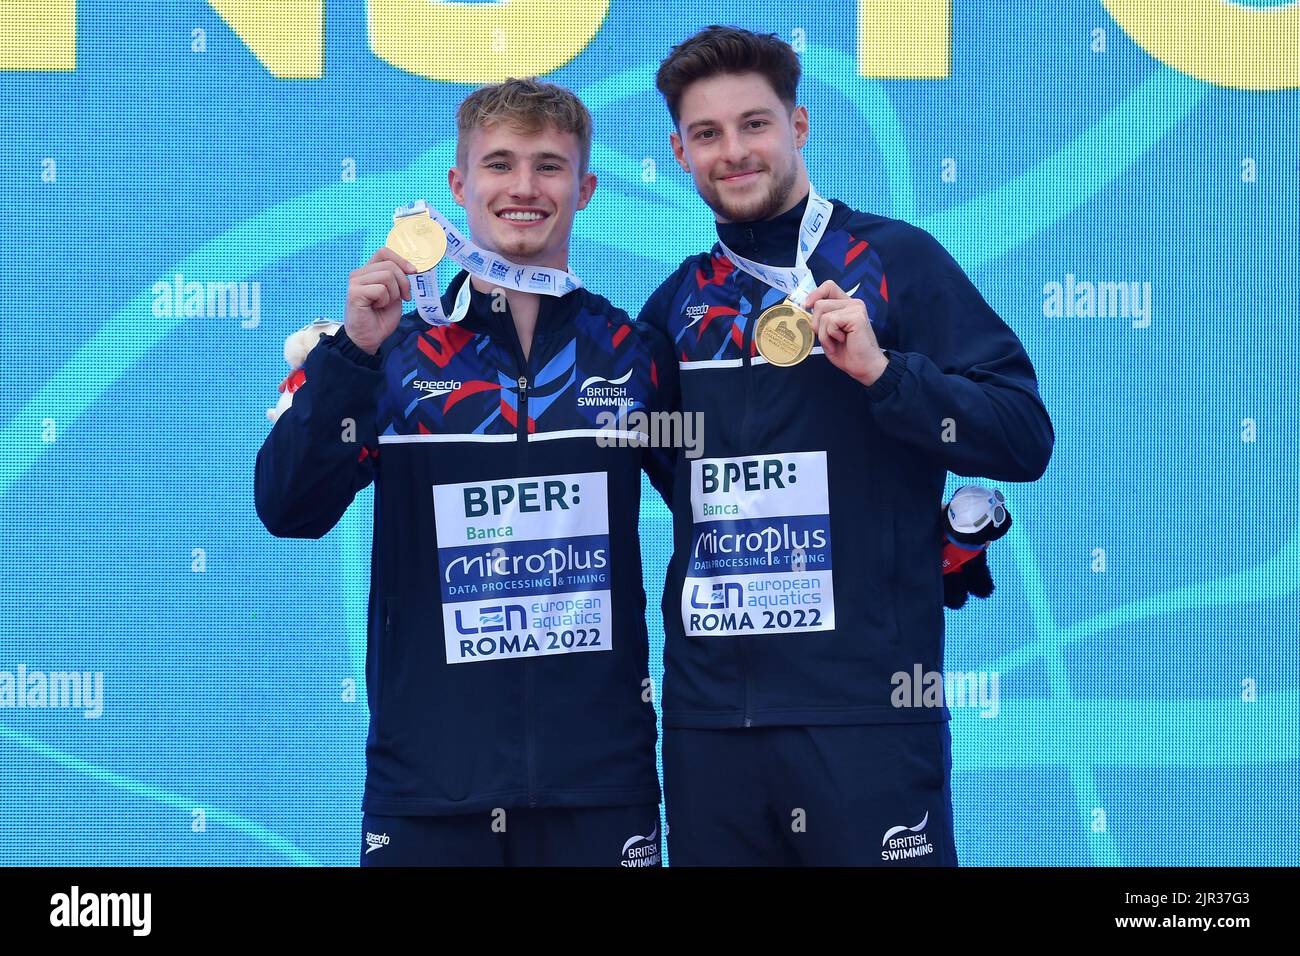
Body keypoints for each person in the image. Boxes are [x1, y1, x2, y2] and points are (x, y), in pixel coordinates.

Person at [639, 26, 1055, 866]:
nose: (734, 151)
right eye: (708, 134)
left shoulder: (894, 261)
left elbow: (1021, 436)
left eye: (754, 124)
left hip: (869, 713)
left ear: (799, 126)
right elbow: (665, 473)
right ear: (679, 151)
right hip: (711, 724)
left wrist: (883, 372)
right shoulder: (674, 308)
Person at [255, 77, 673, 867]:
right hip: (429, 787)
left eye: (549, 167)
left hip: (598, 786)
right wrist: (349, 353)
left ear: (585, 188)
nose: (523, 188)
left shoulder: (631, 352)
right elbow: (288, 506)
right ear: (458, 186)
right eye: (499, 164)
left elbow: (722, 501)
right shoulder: (393, 354)